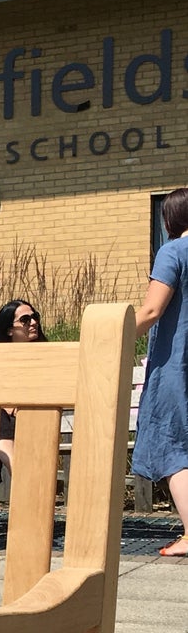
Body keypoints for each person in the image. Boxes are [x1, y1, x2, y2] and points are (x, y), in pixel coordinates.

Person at [134, 187, 188, 558]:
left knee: (175, 447)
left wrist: (109, 336)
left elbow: (152, 310)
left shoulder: (173, 251)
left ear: (169, 218)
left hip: (177, 363)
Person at [0, 298, 46, 475]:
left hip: (36, 419)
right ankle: (21, 475)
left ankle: (21, 477)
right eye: (25, 320)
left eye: (35, 317)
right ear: (9, 330)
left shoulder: (48, 356)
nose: (33, 322)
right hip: (5, 422)